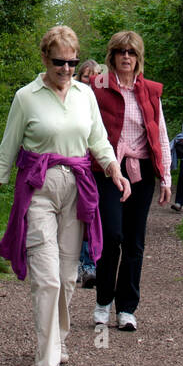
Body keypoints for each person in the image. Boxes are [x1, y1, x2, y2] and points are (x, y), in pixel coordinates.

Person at [0, 26, 130, 366]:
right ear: (45, 59)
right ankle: (44, 364)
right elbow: (6, 149)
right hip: (38, 190)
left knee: (66, 277)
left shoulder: (84, 95)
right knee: (45, 278)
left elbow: (98, 140)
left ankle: (59, 339)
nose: (66, 69)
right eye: (59, 62)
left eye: (72, 62)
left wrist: (115, 171)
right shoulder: (26, 97)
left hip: (77, 190)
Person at [90, 30, 171, 331]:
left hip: (142, 171)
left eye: (132, 52)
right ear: (111, 56)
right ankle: (102, 301)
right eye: (121, 52)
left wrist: (166, 177)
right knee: (112, 237)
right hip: (107, 169)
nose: (126, 57)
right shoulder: (96, 87)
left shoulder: (150, 91)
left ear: (139, 58)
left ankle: (127, 308)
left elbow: (160, 133)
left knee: (135, 242)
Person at [75, 60, 104, 287]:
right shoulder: (74, 100)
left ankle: (90, 264)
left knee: (93, 215)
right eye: (87, 76)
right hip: (78, 166)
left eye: (95, 76)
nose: (91, 81)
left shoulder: (103, 102)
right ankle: (78, 263)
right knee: (77, 216)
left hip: (99, 167)